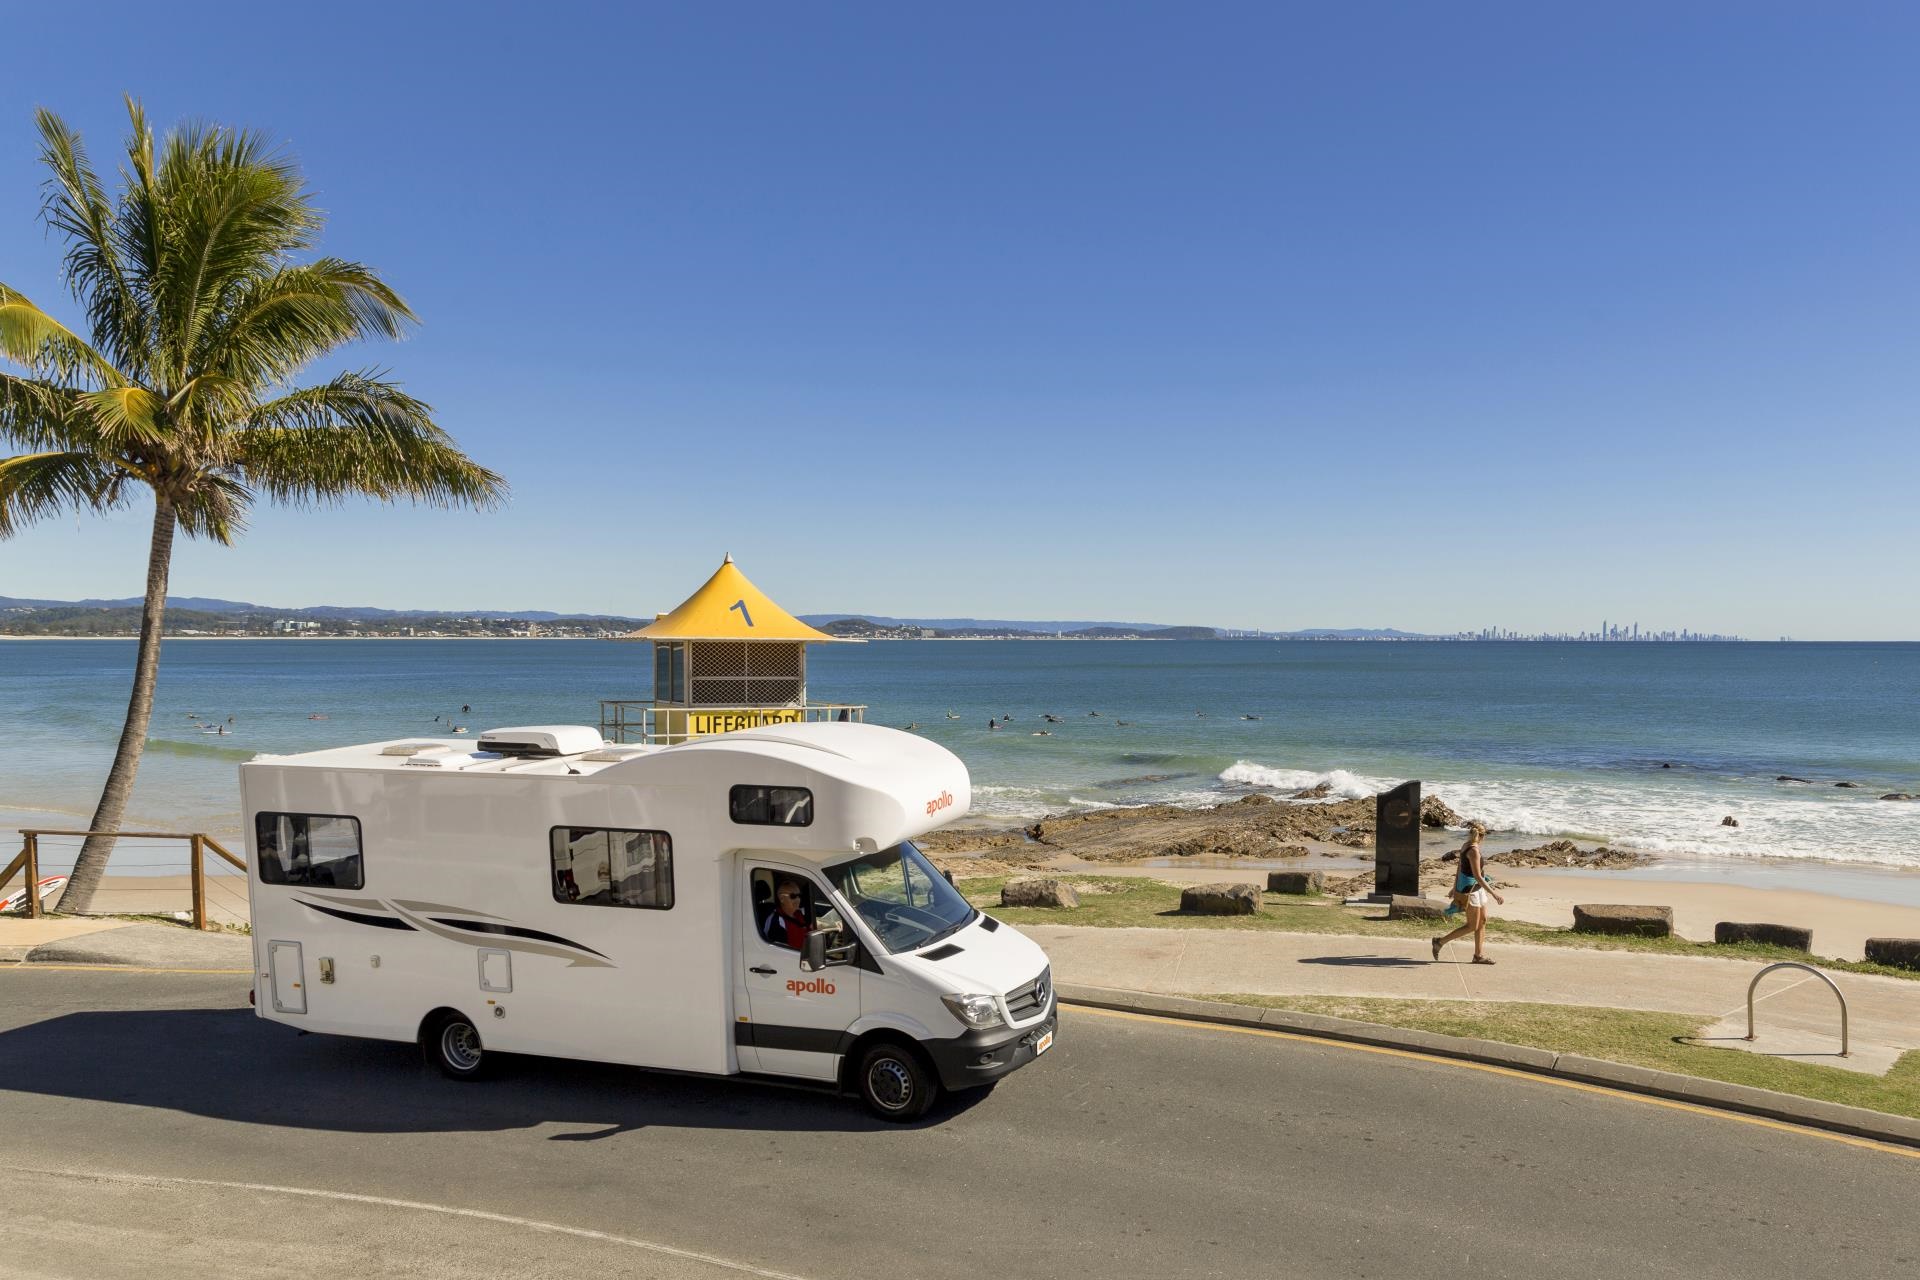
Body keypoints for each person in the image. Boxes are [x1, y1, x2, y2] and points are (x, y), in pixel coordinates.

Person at [1433, 823, 1504, 964]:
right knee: (1472, 925)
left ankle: (1478, 956)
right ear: (1482, 836)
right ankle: (1440, 942)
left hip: (1478, 889)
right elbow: (1478, 876)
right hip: (1471, 891)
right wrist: (1494, 894)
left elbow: (1459, 869)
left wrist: (1453, 888)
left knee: (1482, 921)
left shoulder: (1466, 845)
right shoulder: (1473, 851)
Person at [762, 876, 813, 950]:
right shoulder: (776, 922)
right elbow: (781, 953)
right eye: (793, 896)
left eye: (799, 896)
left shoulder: (800, 913)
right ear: (782, 899)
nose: (798, 899)